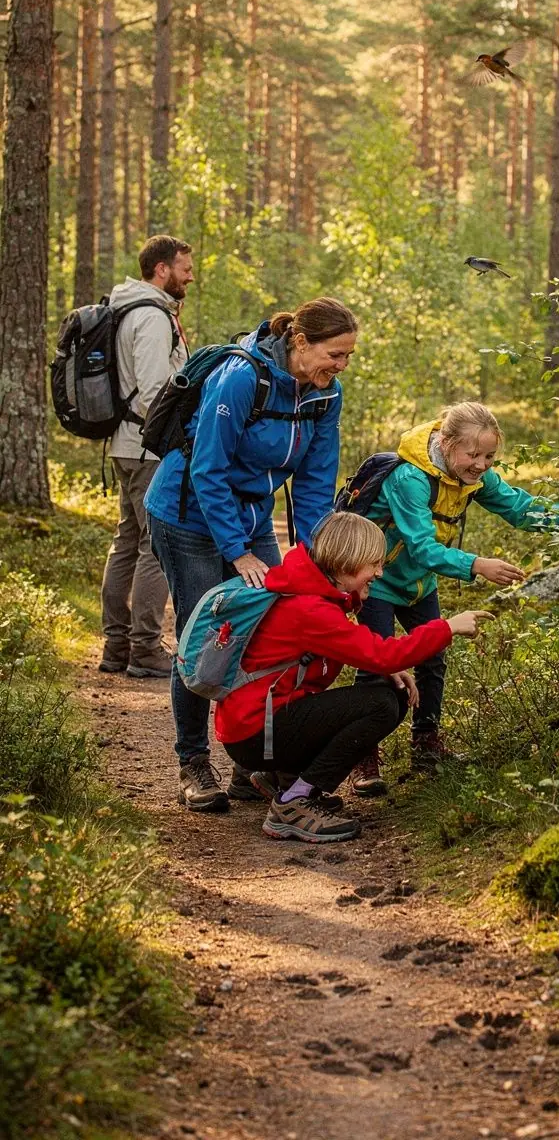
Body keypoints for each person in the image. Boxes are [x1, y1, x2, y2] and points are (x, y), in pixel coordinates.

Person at [146, 296, 357, 814]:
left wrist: (319, 562)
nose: (341, 365)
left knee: (268, 629)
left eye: (349, 356)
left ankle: (251, 764)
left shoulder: (325, 397)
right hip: (186, 513)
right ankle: (193, 761)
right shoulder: (242, 377)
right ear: (300, 342)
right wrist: (237, 552)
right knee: (205, 634)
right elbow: (208, 469)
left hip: (252, 517)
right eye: (335, 353)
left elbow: (313, 483)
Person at [350, 400, 559, 795]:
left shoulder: (472, 477)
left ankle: (426, 745)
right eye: (473, 454)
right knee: (378, 665)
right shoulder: (410, 479)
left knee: (433, 659)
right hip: (378, 581)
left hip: (419, 584)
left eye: (489, 455)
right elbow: (420, 547)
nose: (482, 464)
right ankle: (365, 757)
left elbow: (519, 507)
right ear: (446, 442)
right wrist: (476, 564)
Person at [217, 512, 490, 842]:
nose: (379, 572)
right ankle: (293, 802)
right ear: (347, 562)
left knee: (391, 694)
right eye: (373, 563)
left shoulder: (310, 591)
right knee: (381, 705)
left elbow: (355, 651)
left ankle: (283, 779)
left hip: (260, 725)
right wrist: (447, 627)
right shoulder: (309, 608)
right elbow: (381, 653)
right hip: (256, 732)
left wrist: (386, 665)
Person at [99, 235, 192, 680]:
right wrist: (180, 438)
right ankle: (145, 649)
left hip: (124, 442)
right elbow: (156, 389)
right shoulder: (152, 318)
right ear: (161, 269)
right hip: (147, 447)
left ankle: (117, 646)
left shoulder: (126, 309)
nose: (190, 276)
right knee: (153, 546)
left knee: (127, 541)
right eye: (185, 268)